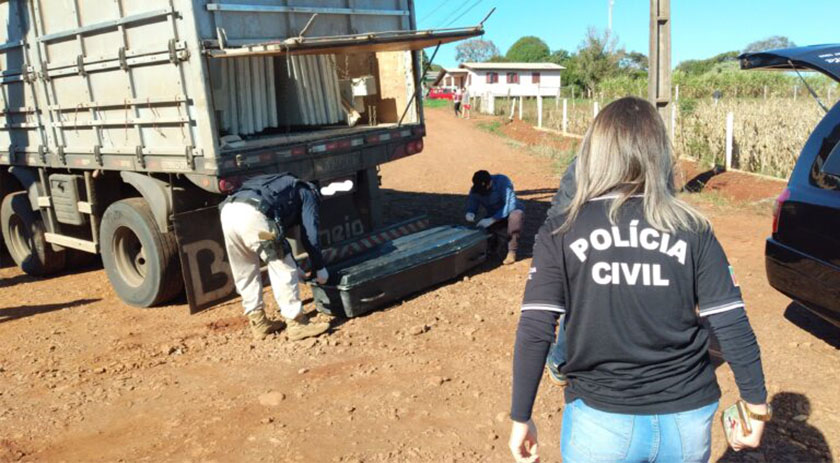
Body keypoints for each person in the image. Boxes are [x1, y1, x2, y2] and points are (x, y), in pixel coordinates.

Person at [509, 97, 769, 463]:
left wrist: (521, 416)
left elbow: (536, 326)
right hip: (687, 420)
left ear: (594, 152)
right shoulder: (692, 228)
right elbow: (730, 320)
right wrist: (756, 405)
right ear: (659, 153)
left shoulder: (562, 229)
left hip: (600, 423)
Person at [219, 173, 331, 341]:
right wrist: (320, 267)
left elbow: (280, 234)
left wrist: (295, 262)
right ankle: (296, 323)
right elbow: (310, 234)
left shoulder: (278, 184)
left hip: (229, 211)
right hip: (254, 215)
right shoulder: (308, 193)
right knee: (282, 268)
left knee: (244, 269)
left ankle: (259, 323)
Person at [465, 170, 524, 265]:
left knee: (516, 217)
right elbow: (473, 200)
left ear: (490, 182)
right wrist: (470, 212)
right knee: (482, 228)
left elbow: (510, 204)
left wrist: (493, 219)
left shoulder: (503, 182)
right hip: (493, 214)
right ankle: (492, 247)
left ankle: (512, 251)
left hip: (510, 211)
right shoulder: (476, 188)